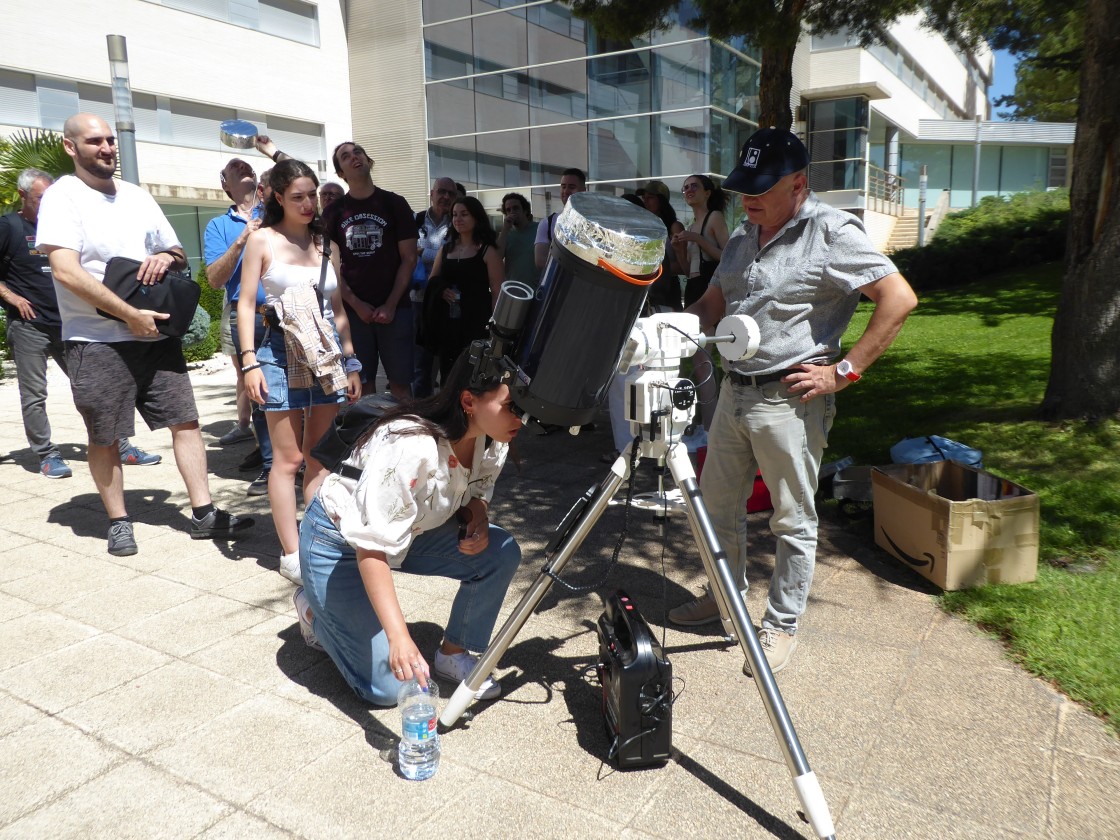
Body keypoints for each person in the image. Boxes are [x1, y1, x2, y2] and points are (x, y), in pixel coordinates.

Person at [669, 128, 917, 675]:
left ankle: (781, 624)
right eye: (742, 188)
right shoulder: (743, 233)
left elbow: (899, 298)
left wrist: (843, 372)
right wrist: (678, 324)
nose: (747, 198)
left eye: (761, 188)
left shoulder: (831, 233)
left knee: (792, 519)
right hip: (734, 393)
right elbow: (717, 297)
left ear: (799, 185)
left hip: (790, 398)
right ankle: (725, 599)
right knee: (718, 509)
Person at [36, 113, 254, 556]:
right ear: (70, 147)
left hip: (155, 334)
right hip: (96, 338)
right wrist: (128, 314)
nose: (107, 148)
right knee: (104, 433)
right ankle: (118, 520)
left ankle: (204, 513)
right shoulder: (62, 197)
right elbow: (65, 270)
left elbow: (175, 251)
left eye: (111, 140)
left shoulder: (136, 196)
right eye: (95, 141)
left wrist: (163, 257)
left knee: (186, 421)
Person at [295, 349, 523, 704]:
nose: (519, 419)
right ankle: (314, 610)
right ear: (468, 401)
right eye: (511, 406)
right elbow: (371, 547)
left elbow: (478, 491)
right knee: (388, 690)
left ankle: (452, 654)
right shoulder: (413, 447)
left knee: (500, 552)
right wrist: (399, 637)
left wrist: (477, 517)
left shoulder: (495, 439)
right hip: (338, 542)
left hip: (408, 532)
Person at [238, 159, 362, 584]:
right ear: (277, 197)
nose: (309, 204)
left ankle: (315, 540)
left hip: (325, 353)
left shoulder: (327, 245)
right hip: (277, 349)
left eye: (313, 195)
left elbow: (338, 308)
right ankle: (291, 553)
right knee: (287, 459)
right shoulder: (262, 241)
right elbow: (246, 303)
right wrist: (249, 361)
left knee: (319, 457)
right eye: (298, 197)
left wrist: (352, 360)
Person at [1, 168, 161, 478]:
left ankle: (122, 447)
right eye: (40, 198)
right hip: (30, 326)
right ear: (23, 196)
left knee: (97, 388)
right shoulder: (9, 227)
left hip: (70, 323)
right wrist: (13, 298)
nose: (48, 205)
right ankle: (46, 455)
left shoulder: (65, 222)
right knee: (34, 394)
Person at [321, 141, 418, 400]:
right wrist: (355, 303)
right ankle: (367, 438)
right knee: (362, 387)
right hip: (353, 314)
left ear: (368, 160)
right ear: (341, 173)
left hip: (397, 311)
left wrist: (391, 304)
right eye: (345, 157)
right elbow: (329, 268)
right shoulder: (333, 213)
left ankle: (407, 435)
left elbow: (409, 259)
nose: (354, 158)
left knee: (400, 385)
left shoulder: (395, 204)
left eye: (358, 152)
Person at [204, 157, 274, 495]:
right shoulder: (218, 226)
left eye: (247, 165)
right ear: (225, 184)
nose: (243, 166)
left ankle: (304, 460)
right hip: (247, 316)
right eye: (235, 167)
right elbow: (215, 280)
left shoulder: (276, 208)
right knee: (258, 390)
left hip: (288, 311)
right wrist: (242, 239)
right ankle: (271, 465)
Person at [673, 174, 731, 447]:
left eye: (694, 186)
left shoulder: (714, 218)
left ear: (708, 192)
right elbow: (687, 271)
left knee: (703, 360)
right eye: (684, 187)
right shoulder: (692, 224)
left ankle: (711, 429)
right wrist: (683, 248)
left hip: (712, 290)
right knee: (700, 360)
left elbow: (729, 256)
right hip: (696, 287)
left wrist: (697, 238)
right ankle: (710, 425)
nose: (688, 190)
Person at [422, 197, 503, 385]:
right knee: (449, 377)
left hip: (477, 323)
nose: (458, 219)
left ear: (476, 217)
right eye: (454, 215)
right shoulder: (446, 249)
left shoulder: (487, 250)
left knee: (473, 377)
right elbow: (432, 279)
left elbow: (498, 290)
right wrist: (441, 290)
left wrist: (495, 328)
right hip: (448, 324)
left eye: (464, 214)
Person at [411, 177, 455, 397]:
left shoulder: (457, 223)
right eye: (441, 191)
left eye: (451, 193)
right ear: (432, 193)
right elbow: (407, 252)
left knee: (447, 362)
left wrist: (424, 253)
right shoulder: (415, 220)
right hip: (417, 300)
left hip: (445, 301)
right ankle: (421, 412)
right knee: (420, 364)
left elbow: (454, 259)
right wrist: (439, 254)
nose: (446, 197)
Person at [639, 180, 686, 313]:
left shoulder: (674, 227)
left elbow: (684, 266)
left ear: (662, 200)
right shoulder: (645, 226)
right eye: (644, 198)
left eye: (650, 197)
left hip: (669, 288)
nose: (646, 201)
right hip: (649, 288)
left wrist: (657, 267)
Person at [534, 168, 585, 271]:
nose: (566, 191)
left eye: (572, 187)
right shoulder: (547, 223)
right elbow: (540, 262)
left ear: (583, 191)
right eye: (563, 186)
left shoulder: (594, 223)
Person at [496, 192, 537, 289]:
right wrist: (505, 229)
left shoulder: (539, 229)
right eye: (508, 210)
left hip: (537, 289)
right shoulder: (505, 235)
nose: (512, 212)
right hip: (514, 290)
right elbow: (497, 258)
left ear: (525, 210)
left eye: (516, 208)